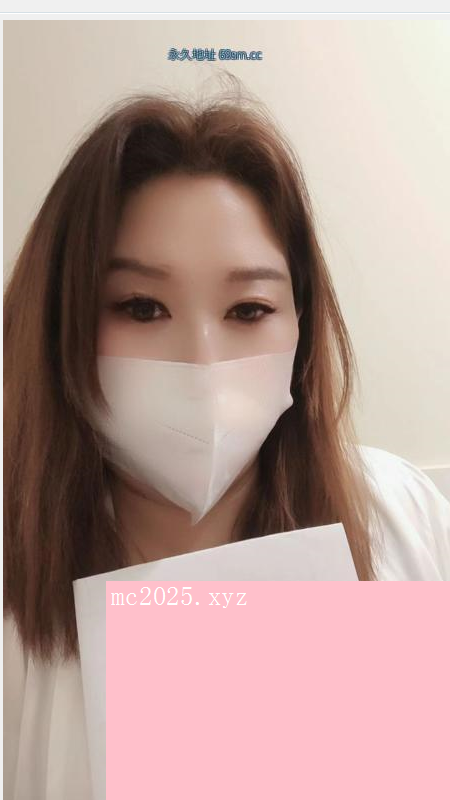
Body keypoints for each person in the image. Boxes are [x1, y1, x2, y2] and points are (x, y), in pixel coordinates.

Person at [4, 84, 450, 800]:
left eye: (248, 309)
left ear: (301, 330)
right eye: (140, 307)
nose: (202, 362)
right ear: (59, 324)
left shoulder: (399, 513)